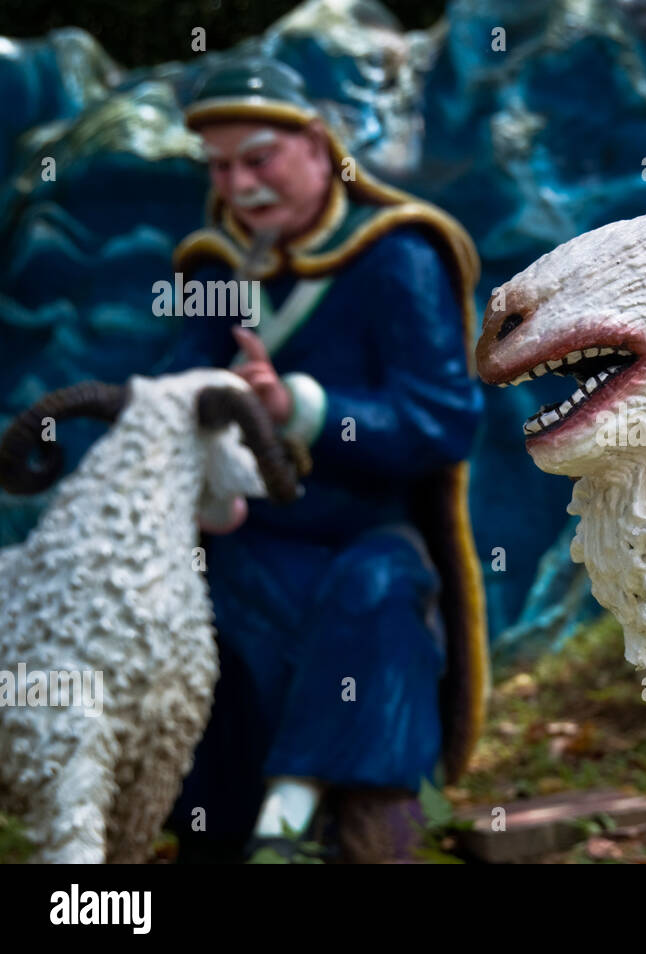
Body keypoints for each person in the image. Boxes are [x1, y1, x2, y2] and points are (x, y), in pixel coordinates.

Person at [163, 57, 488, 862]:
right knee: (197, 614)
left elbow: (443, 419)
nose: (240, 185)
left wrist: (304, 410)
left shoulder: (396, 255)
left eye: (258, 159)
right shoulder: (213, 269)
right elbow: (176, 394)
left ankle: (300, 823)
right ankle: (222, 826)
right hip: (246, 539)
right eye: (221, 168)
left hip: (363, 534)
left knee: (377, 593)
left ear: (316, 145)